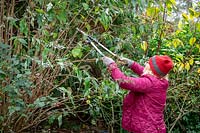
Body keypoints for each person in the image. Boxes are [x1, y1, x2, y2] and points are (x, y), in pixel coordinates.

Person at [102, 55, 174, 133]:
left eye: (148, 63)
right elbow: (145, 72)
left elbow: (123, 81)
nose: (146, 63)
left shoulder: (149, 83)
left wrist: (112, 66)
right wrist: (132, 64)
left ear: (151, 69)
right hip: (152, 127)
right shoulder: (159, 81)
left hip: (146, 129)